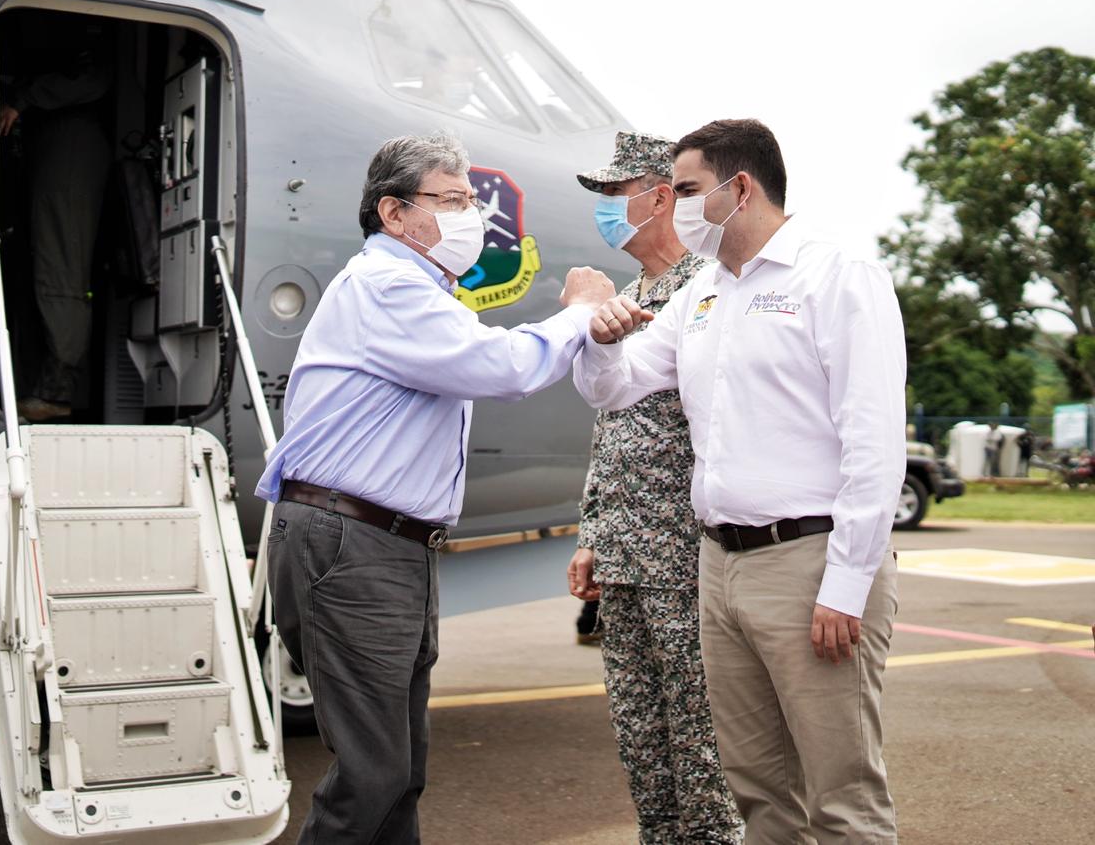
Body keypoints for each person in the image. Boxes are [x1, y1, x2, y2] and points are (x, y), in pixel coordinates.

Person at [256, 133, 614, 843]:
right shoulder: (387, 285)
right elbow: (501, 367)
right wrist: (577, 312)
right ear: (394, 212)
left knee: (399, 770)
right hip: (355, 544)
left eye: (469, 201)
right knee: (373, 773)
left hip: (384, 544)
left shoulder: (417, 290)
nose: (470, 216)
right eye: (450, 201)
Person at [572, 119, 906, 843]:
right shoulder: (705, 294)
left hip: (809, 560)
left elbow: (873, 446)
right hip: (719, 566)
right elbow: (620, 388)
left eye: (687, 190)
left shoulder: (836, 276)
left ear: (740, 187)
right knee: (756, 788)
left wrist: (846, 582)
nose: (676, 205)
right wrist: (598, 341)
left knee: (841, 795)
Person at [567, 130, 743, 844]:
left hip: (683, 555)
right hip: (626, 554)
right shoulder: (633, 295)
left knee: (701, 745)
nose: (605, 209)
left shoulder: (704, 289)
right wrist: (591, 533)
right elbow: (610, 426)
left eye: (615, 193)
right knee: (643, 739)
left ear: (661, 195)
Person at [0, 11, 114, 421]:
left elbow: (94, 76)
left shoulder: (79, 26)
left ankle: (55, 391)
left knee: (60, 273)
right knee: (45, 270)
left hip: (69, 150)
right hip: (53, 149)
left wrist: (25, 97)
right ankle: (41, 385)